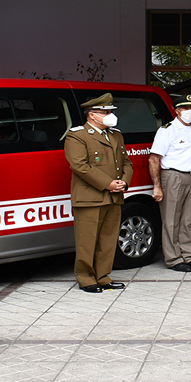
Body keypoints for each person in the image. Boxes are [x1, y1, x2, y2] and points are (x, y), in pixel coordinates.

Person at [64, 93, 132, 293]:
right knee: (87, 240)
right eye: (105, 112)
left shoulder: (115, 135)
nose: (110, 115)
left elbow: (126, 162)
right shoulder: (77, 135)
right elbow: (79, 166)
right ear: (92, 115)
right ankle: (86, 278)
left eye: (110, 111)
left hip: (114, 195)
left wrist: (123, 183)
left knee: (108, 239)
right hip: (89, 197)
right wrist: (108, 183)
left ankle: (103, 277)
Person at [149, 94, 191, 273]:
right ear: (177, 110)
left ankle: (187, 256)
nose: (190, 112)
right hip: (173, 176)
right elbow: (154, 159)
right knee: (171, 220)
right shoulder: (167, 130)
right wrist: (157, 185)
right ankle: (174, 259)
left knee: (189, 220)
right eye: (186, 108)